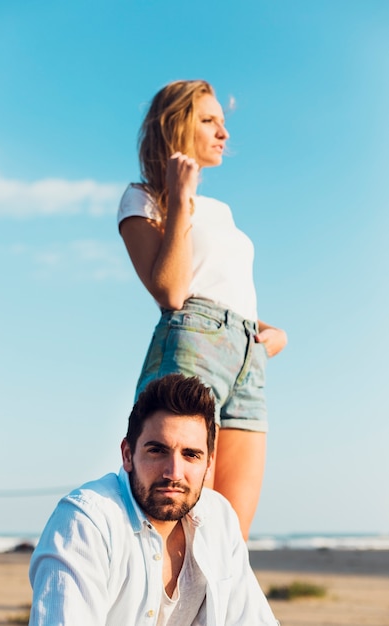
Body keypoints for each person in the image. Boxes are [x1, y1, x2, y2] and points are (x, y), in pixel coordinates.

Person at [117, 80, 287, 539]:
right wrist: (179, 196)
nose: (223, 134)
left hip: (247, 358)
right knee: (181, 521)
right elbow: (171, 291)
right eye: (210, 121)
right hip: (193, 347)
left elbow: (224, 289)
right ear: (177, 125)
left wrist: (274, 334)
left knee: (232, 534)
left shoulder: (222, 211)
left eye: (223, 122)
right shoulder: (144, 198)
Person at [29, 374, 279, 625]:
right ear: (128, 455)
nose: (173, 473)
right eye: (157, 451)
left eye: (191, 455)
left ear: (209, 464)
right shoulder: (86, 522)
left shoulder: (219, 517)